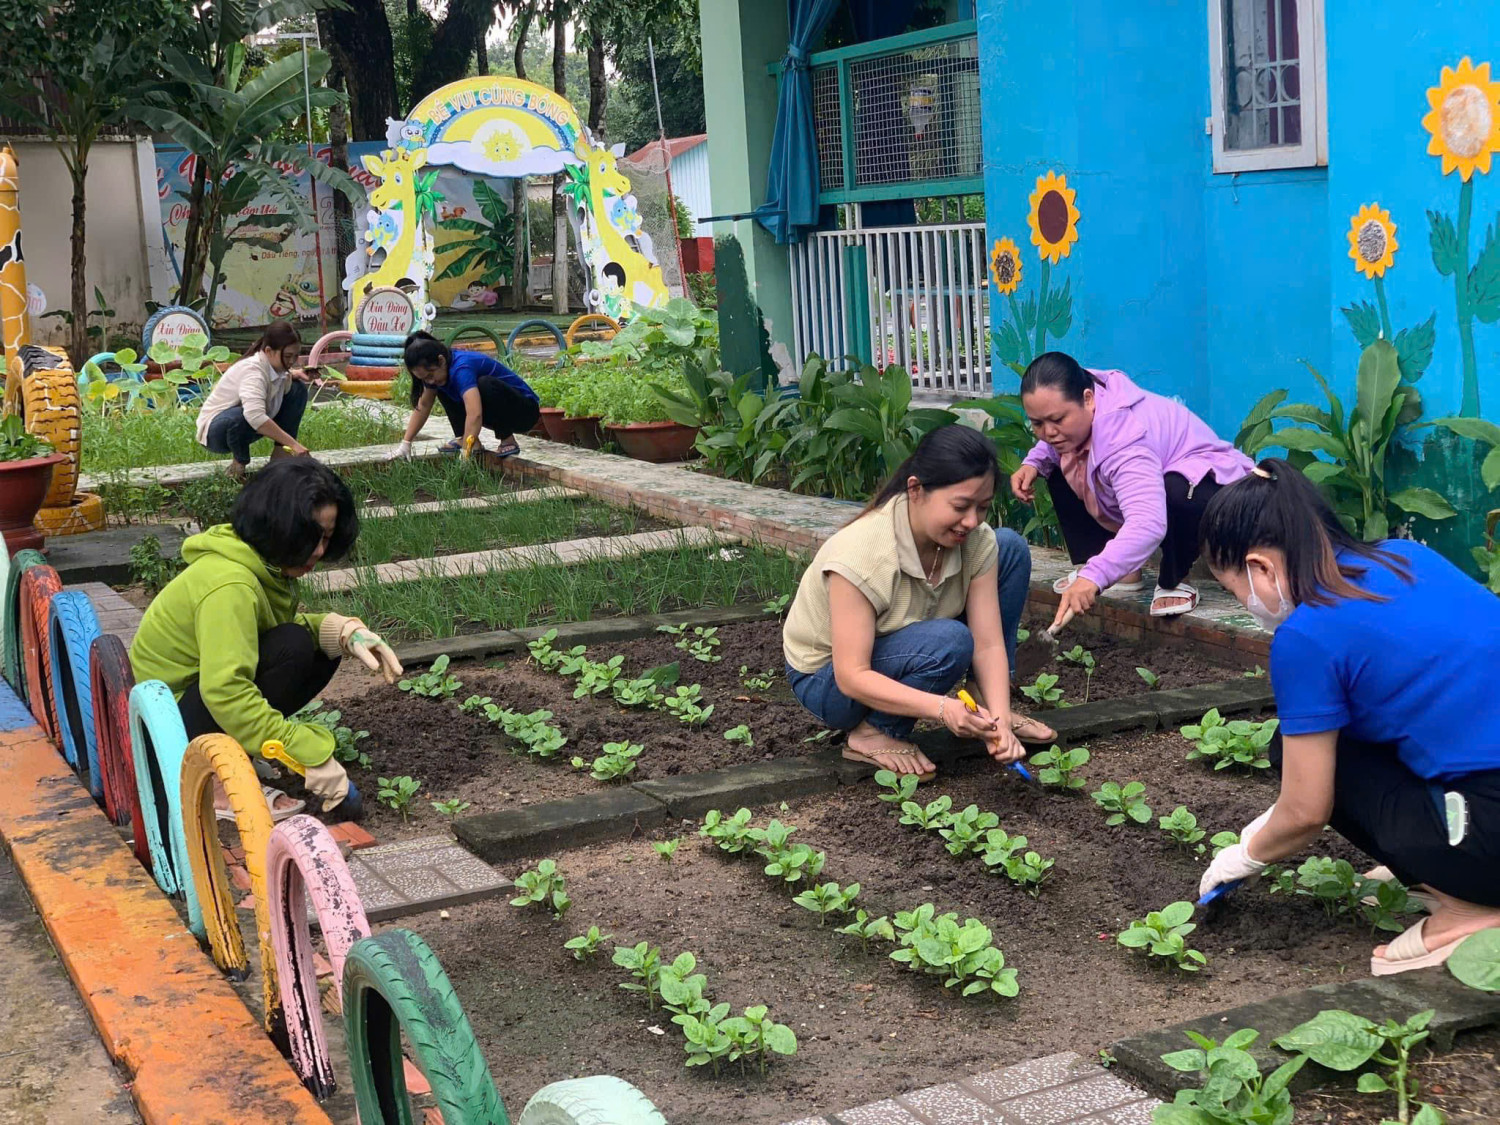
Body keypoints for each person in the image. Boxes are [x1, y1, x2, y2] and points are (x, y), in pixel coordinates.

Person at [1196, 460, 1500, 976]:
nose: (1246, 604)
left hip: (1492, 830)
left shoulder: (1308, 636)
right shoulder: (1404, 556)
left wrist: (1245, 854)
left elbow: (1305, 811)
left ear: (1262, 568)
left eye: (1235, 589)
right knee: (1343, 735)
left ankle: (1470, 905)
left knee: (1302, 756)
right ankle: (1440, 869)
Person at [129, 459, 404, 822]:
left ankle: (236, 751)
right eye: (310, 538)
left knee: (315, 647)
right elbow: (225, 690)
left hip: (191, 701)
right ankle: (214, 782)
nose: (320, 551)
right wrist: (305, 751)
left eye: (326, 537)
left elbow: (256, 637)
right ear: (277, 527)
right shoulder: (230, 586)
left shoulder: (255, 565)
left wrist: (341, 630)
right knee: (294, 644)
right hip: (166, 729)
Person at [782, 425, 1055, 781]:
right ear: (916, 490)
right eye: (960, 506)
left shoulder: (975, 540)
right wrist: (943, 709)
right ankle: (873, 732)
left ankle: (985, 702)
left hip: (907, 641)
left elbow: (988, 645)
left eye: (983, 507)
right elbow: (851, 676)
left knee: (1009, 548)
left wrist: (1000, 722)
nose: (972, 521)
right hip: (827, 680)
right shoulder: (863, 553)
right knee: (949, 641)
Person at [1010, 351, 1252, 624]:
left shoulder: (1124, 440)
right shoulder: (1080, 396)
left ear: (1088, 399)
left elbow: (1148, 522)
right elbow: (1054, 438)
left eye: (1057, 420)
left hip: (1211, 483)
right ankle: (1121, 573)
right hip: (1153, 477)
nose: (1048, 432)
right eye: (1037, 423)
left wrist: (1095, 577)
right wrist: (1034, 462)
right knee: (1058, 460)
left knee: (1177, 489)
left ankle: (1174, 579)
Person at [389, 330, 540, 460]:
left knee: (484, 384)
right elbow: (424, 405)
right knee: (441, 386)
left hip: (524, 412)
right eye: (425, 379)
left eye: (430, 374)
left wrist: (465, 453)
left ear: (441, 360)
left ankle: (507, 439)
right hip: (496, 412)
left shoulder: (462, 367)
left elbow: (475, 414)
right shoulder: (440, 374)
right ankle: (466, 438)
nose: (430, 380)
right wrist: (406, 443)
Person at [196, 320, 313, 480]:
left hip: (246, 427)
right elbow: (255, 416)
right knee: (242, 415)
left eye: (295, 356)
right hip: (217, 433)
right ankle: (239, 464)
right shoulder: (253, 371)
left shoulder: (277, 368)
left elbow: (276, 381)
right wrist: (294, 444)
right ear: (268, 351)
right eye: (287, 356)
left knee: (297, 389)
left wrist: (294, 374)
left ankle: (280, 455)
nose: (292, 361)